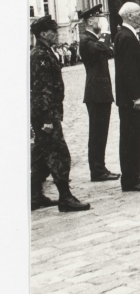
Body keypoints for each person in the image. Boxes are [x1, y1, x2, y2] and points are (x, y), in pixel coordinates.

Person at [30, 16, 91, 212]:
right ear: (43, 34)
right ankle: (65, 197)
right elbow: (42, 89)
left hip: (45, 112)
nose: (56, 35)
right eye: (53, 31)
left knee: (40, 156)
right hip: (45, 114)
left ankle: (34, 195)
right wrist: (48, 118)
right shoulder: (40, 55)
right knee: (59, 154)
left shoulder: (44, 52)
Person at [114, 2, 140, 192]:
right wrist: (136, 96)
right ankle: (132, 179)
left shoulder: (125, 35)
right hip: (132, 101)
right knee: (132, 139)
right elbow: (128, 71)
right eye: (139, 13)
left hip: (128, 99)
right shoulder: (127, 37)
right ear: (129, 16)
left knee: (130, 139)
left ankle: (130, 177)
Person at [78, 4, 120, 182]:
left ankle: (100, 168)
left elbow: (109, 51)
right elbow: (103, 49)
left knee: (101, 132)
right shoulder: (87, 40)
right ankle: (97, 170)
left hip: (100, 92)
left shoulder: (94, 40)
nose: (101, 20)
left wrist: (103, 36)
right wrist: (105, 32)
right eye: (98, 17)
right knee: (97, 133)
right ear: (89, 21)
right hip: (95, 93)